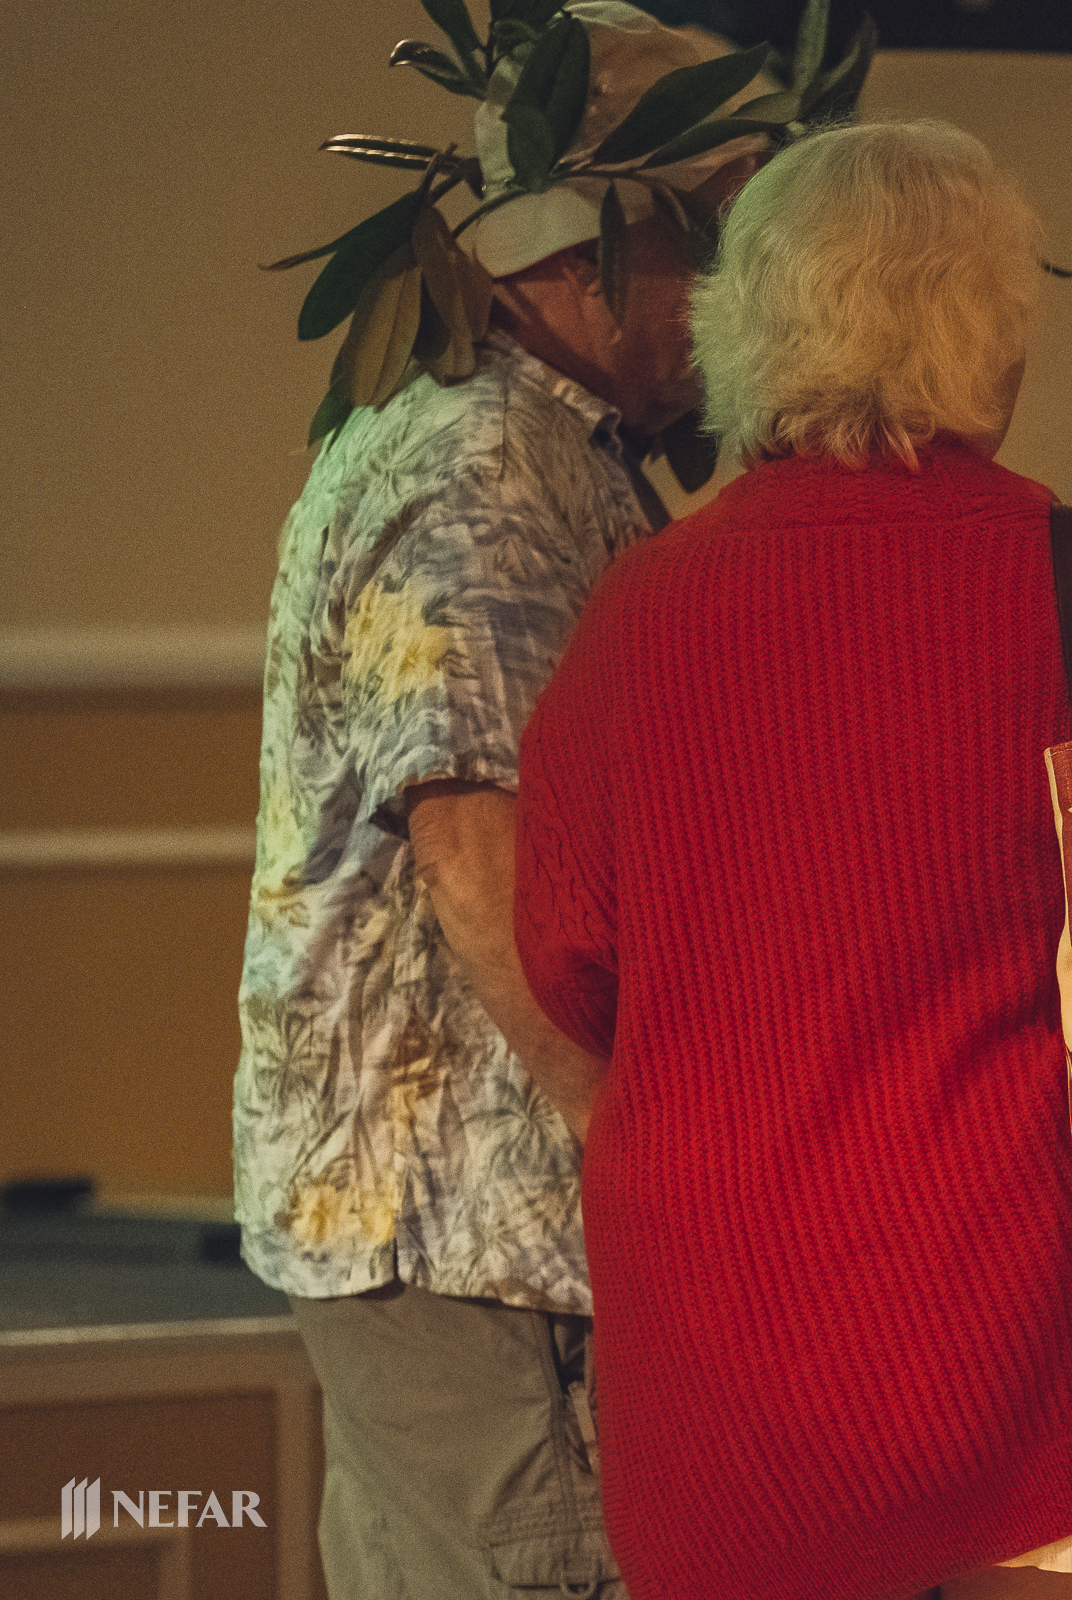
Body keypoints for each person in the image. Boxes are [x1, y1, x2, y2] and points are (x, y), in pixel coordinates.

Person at [511, 119, 1072, 1600]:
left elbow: (568, 966)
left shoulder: (637, 621)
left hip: (748, 1399)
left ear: (743, 330)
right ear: (997, 343)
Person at [233, 7, 788, 1594]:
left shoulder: (534, 446)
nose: (746, 300)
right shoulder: (482, 462)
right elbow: (482, 854)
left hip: (456, 1245)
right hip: (480, 1246)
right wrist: (640, 1155)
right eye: (716, 241)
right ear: (578, 248)